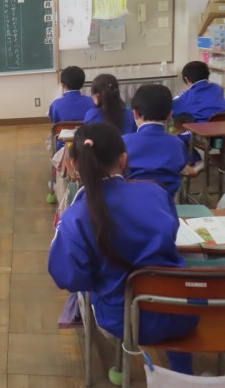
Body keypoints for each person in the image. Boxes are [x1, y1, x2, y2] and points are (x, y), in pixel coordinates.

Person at [48, 123, 197, 375]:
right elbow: (170, 234)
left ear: (73, 165)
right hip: (182, 310)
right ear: (124, 159)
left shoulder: (77, 215)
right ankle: (184, 375)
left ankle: (119, 366)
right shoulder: (156, 192)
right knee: (168, 274)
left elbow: (69, 277)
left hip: (122, 319)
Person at [123, 84, 188, 197]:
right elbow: (181, 169)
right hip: (165, 204)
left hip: (130, 202)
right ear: (169, 114)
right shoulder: (178, 144)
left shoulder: (123, 142)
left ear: (135, 113)